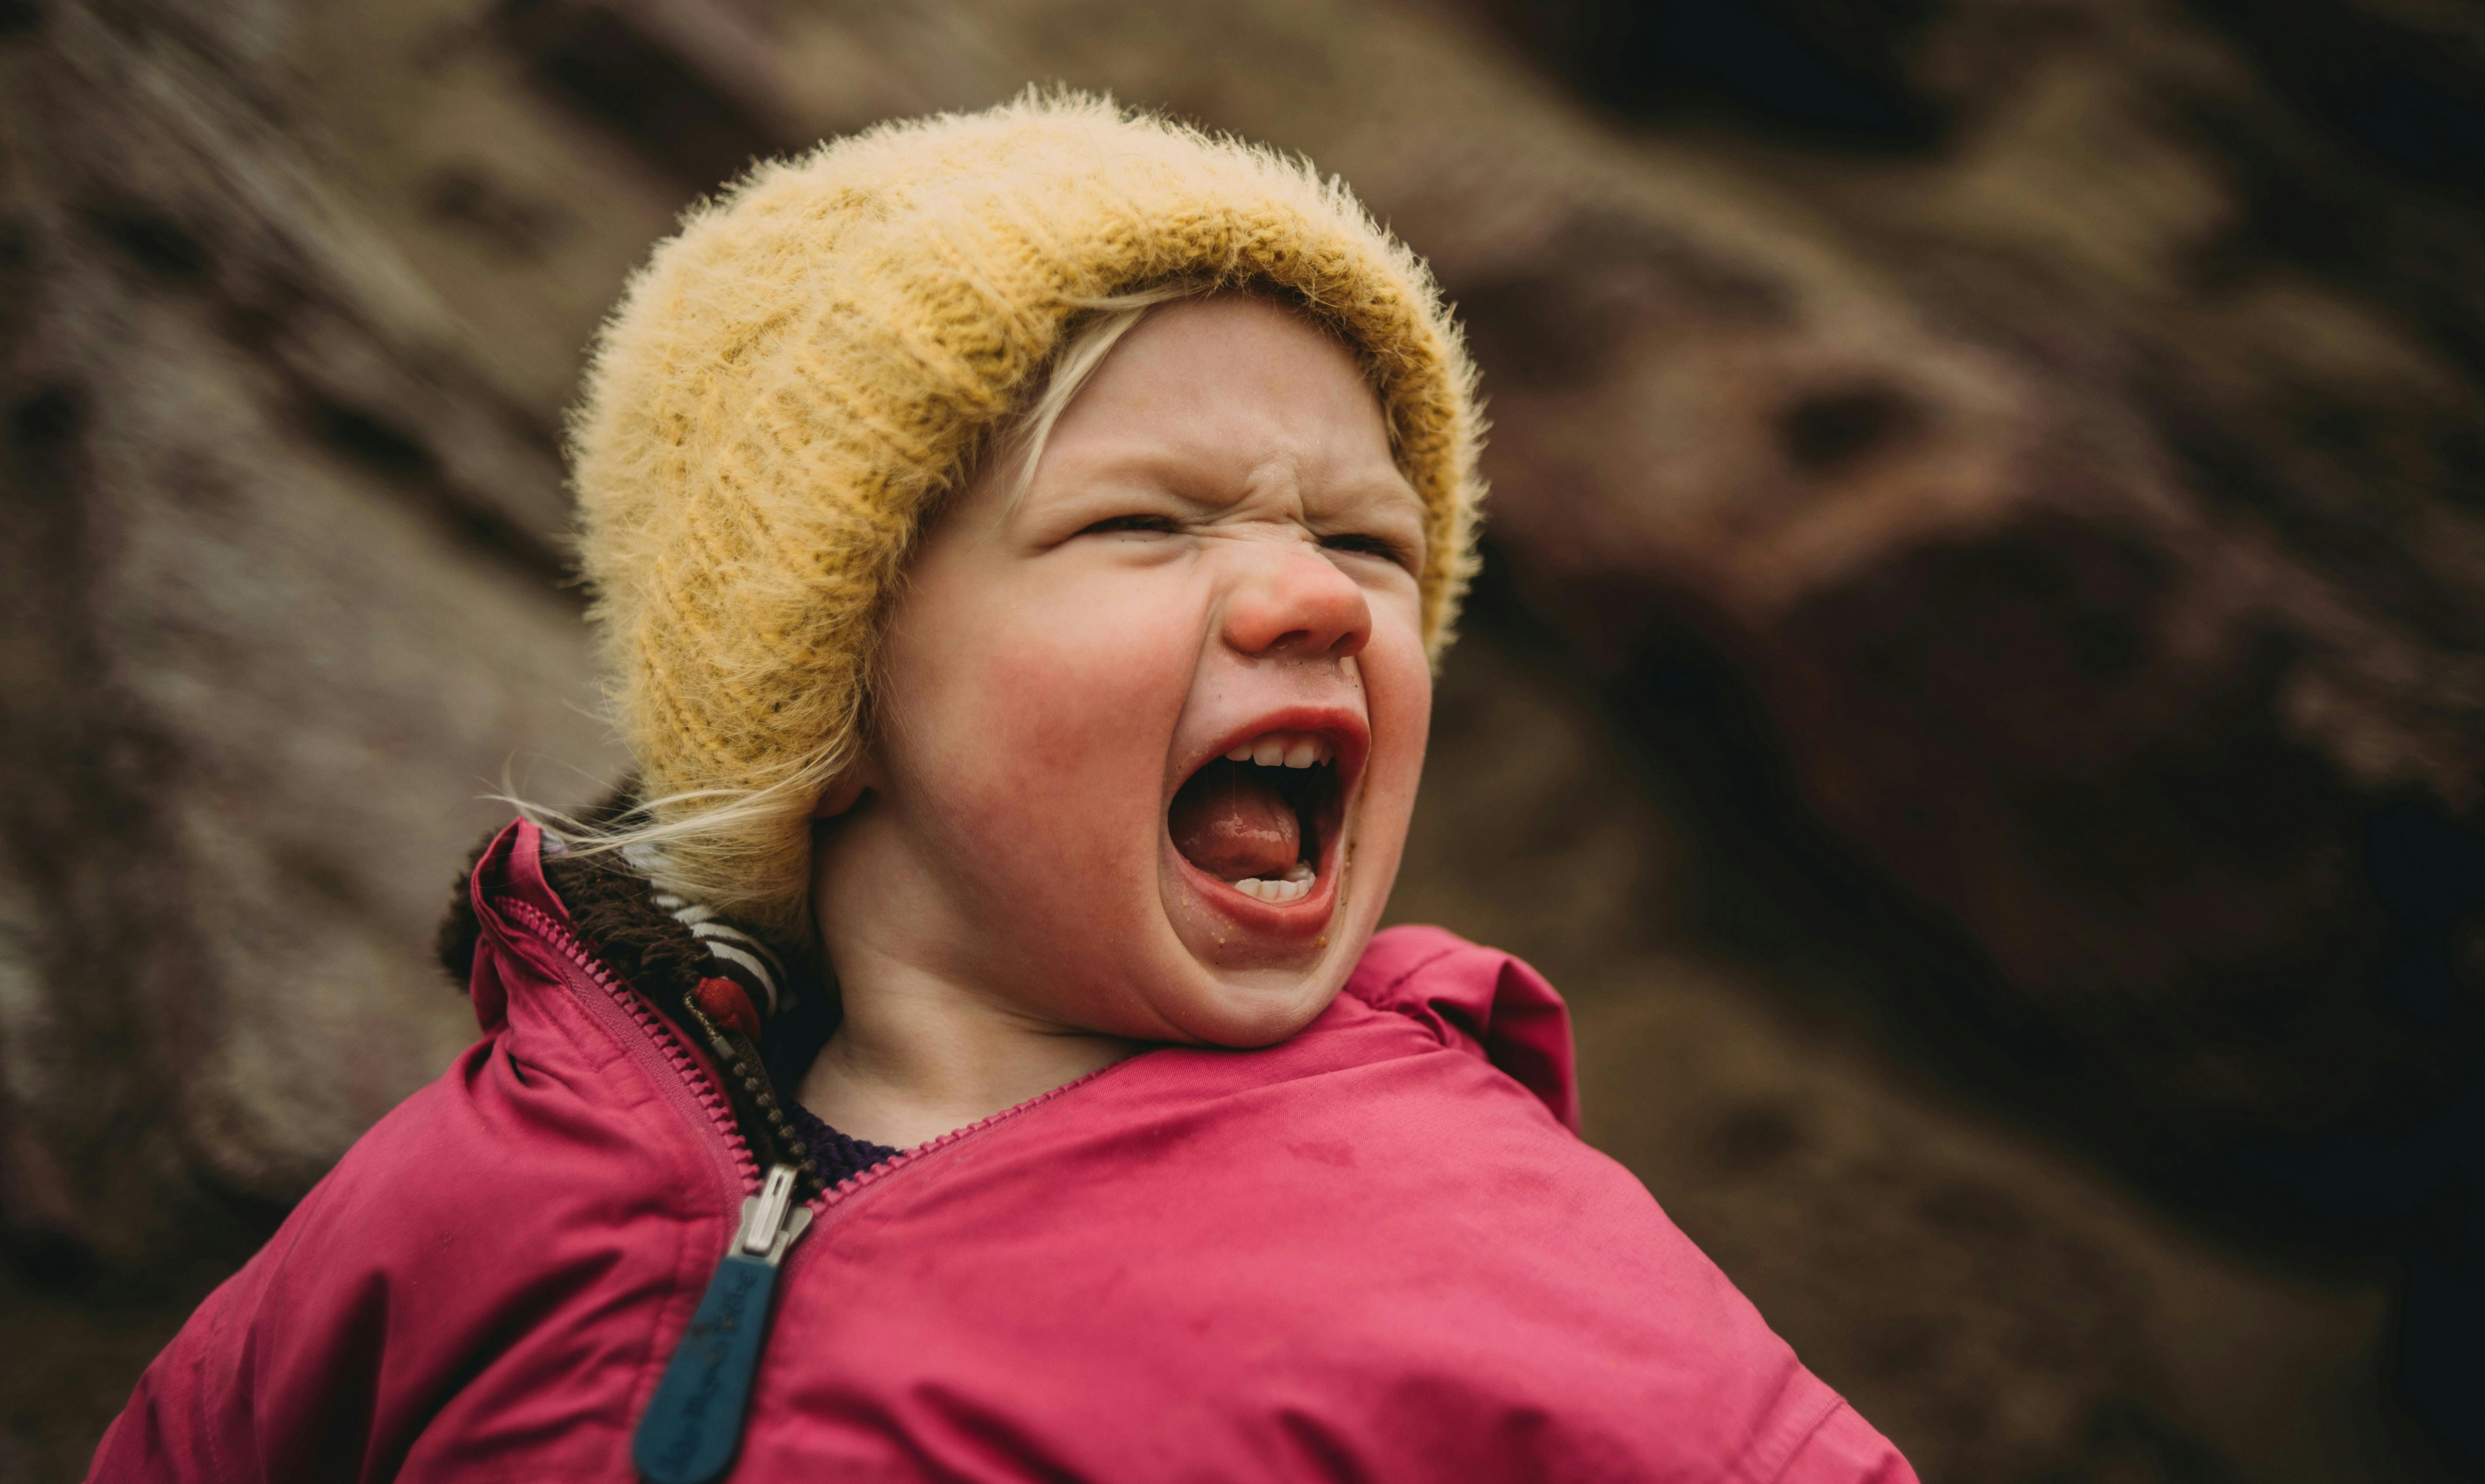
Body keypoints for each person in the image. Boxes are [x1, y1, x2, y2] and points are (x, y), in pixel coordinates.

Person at [89, 91, 1917, 1483]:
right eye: (1146, 523)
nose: (1310, 597)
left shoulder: (1516, 1264)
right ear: (833, 681)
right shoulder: (476, 1186)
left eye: (1371, 543)